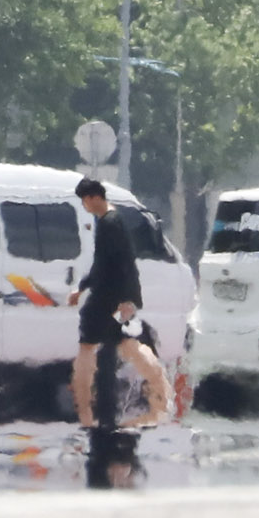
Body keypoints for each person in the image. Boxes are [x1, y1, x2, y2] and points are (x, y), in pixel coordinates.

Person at [69, 177, 173, 428]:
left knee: (89, 348)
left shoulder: (109, 223)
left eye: (85, 200)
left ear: (95, 197)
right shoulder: (111, 221)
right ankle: (163, 398)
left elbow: (112, 264)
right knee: (126, 344)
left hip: (109, 299)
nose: (84, 206)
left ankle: (86, 414)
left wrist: (85, 289)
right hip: (118, 299)